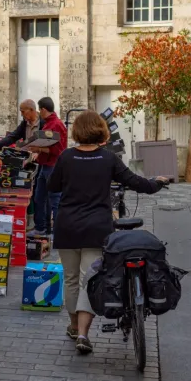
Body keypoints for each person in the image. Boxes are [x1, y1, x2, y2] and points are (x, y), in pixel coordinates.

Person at [48, 110, 168, 354]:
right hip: (96, 228)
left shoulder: (66, 157)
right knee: (88, 279)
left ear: (77, 132)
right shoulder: (108, 158)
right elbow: (137, 182)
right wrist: (158, 182)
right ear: (101, 131)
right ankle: (83, 333)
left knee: (71, 280)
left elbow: (53, 187)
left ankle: (73, 326)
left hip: (67, 226)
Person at [26, 97, 67, 236]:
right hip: (45, 165)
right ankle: (41, 228)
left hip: (53, 166)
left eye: (39, 109)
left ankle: (58, 232)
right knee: (39, 197)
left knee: (55, 200)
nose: (39, 112)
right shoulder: (49, 123)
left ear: (43, 109)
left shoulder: (55, 125)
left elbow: (58, 150)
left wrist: (39, 149)